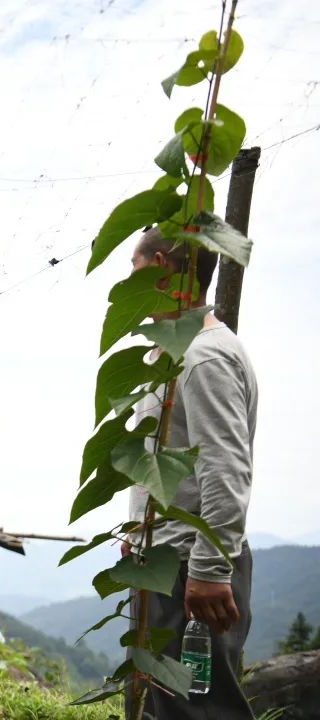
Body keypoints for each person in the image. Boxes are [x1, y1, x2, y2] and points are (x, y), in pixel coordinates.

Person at [126, 227, 259, 719]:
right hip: (165, 560)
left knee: (201, 709)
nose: (128, 286)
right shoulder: (170, 355)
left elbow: (225, 468)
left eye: (135, 270)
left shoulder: (203, 356)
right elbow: (164, 457)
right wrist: (139, 531)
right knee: (166, 705)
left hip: (190, 568)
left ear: (162, 267)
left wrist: (208, 570)